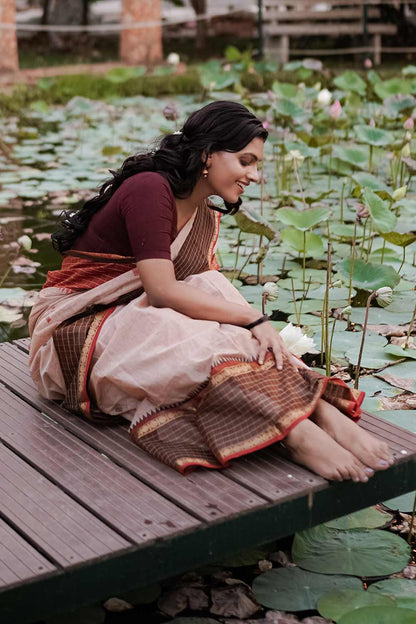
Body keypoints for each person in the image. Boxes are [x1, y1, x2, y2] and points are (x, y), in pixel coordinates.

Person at [29, 100, 393, 482]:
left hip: (136, 316)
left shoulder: (201, 210)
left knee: (209, 285)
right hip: (77, 328)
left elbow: (198, 296)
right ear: (207, 154)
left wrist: (251, 325)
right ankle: (296, 433)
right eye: (245, 161)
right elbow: (161, 291)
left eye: (256, 165)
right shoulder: (150, 188)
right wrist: (255, 317)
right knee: (189, 325)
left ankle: (318, 410)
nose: (253, 175)